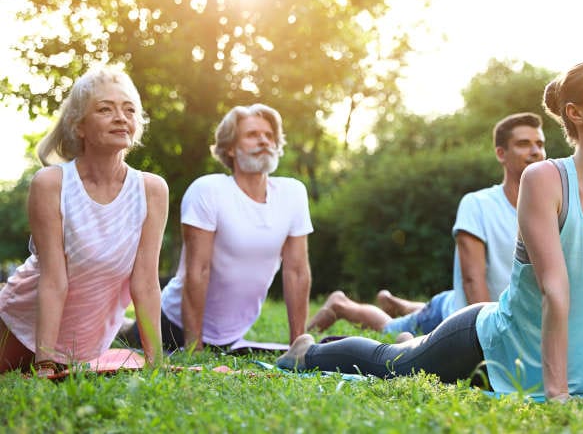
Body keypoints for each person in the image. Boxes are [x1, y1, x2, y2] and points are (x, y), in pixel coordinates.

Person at [276, 59, 583, 406]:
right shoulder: (545, 179)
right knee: (391, 364)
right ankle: (306, 352)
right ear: (575, 112)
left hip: (555, 365)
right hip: (485, 342)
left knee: (404, 352)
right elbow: (553, 286)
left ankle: (403, 337)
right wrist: (556, 394)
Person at [306, 113, 546, 338]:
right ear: (501, 153)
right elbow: (472, 281)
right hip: (458, 313)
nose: (535, 151)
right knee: (389, 328)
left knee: (430, 306)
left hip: (469, 302)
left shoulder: (550, 211)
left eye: (540, 144)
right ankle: (342, 305)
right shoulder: (478, 204)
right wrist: (490, 337)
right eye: (524, 144)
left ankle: (400, 304)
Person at [0, 66, 168, 376]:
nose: (121, 117)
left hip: (84, 339)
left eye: (129, 109)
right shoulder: (51, 184)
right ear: (79, 127)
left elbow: (145, 282)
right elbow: (53, 278)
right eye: (106, 109)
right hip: (21, 319)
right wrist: (45, 361)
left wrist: (156, 362)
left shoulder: (152, 190)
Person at [120, 103, 312, 352]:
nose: (264, 141)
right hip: (173, 325)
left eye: (269, 135)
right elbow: (197, 270)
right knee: (124, 333)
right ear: (230, 148)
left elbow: (297, 272)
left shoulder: (293, 193)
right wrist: (194, 347)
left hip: (231, 336)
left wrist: (298, 346)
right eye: (252, 135)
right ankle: (117, 323)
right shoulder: (209, 190)